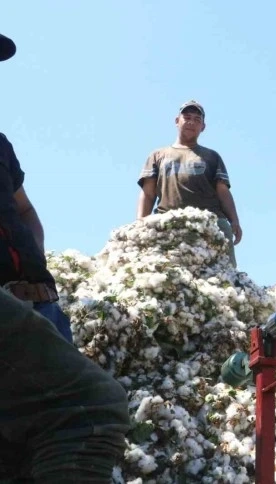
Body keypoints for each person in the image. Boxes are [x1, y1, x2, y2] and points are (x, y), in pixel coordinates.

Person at [0, 31, 131, 483]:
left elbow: (25, 209)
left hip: (40, 304)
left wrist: (36, 265)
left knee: (20, 448)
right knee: (88, 407)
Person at [0, 35, 72, 343]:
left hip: (44, 307)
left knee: (93, 391)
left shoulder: (1, 145)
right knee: (100, 393)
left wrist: (36, 252)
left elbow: (25, 208)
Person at [136, 100, 242, 266]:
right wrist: (141, 222)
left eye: (197, 120)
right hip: (166, 222)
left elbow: (223, 191)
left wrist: (234, 221)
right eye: (187, 117)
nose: (191, 122)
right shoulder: (158, 155)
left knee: (224, 274)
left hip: (212, 222)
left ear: (203, 127)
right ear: (177, 121)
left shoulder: (212, 157)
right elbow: (148, 193)